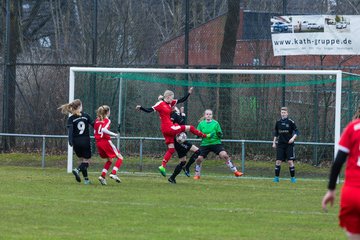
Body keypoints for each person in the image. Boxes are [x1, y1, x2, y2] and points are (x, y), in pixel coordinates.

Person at [136, 87, 210, 177]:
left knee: (171, 149)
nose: (173, 99)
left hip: (165, 130)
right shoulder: (160, 104)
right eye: (172, 97)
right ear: (168, 96)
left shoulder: (170, 103)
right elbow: (150, 109)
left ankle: (162, 166)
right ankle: (204, 136)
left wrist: (189, 93)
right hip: (169, 127)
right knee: (190, 127)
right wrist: (141, 108)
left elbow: (182, 99)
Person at [322, 108, 360, 239]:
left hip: (352, 193)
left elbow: (338, 162)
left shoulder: (352, 128)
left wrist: (331, 190)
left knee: (353, 235)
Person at [193, 109, 243, 180]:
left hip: (216, 143)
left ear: (212, 116)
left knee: (224, 155)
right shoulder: (201, 124)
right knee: (199, 159)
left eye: (210, 114)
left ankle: (235, 171)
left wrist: (219, 134)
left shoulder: (216, 123)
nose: (208, 115)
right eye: (207, 114)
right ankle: (197, 174)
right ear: (204, 115)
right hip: (205, 144)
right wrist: (198, 135)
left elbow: (220, 135)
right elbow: (197, 133)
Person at [58, 99, 93, 185]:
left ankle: (86, 180)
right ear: (79, 107)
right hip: (85, 140)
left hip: (76, 142)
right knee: (86, 162)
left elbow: (70, 131)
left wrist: (70, 141)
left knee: (82, 161)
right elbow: (95, 125)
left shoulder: (71, 119)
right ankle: (77, 170)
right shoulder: (86, 116)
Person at [167, 106, 201, 184]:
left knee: (183, 161)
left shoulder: (179, 115)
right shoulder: (173, 115)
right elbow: (172, 125)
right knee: (198, 151)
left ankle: (172, 178)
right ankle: (187, 167)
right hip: (179, 141)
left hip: (180, 141)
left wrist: (182, 114)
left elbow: (182, 123)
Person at [94, 105, 123, 185]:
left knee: (110, 160)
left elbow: (95, 132)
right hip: (106, 142)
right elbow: (103, 129)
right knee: (120, 157)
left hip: (98, 142)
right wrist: (114, 134)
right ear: (107, 112)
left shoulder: (97, 120)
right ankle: (113, 173)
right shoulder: (107, 120)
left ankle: (102, 176)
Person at [272, 107, 299, 183]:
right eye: (282, 112)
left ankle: (293, 178)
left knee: (290, 161)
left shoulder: (291, 122)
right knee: (278, 161)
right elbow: (276, 133)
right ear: (280, 113)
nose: (283, 114)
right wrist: (274, 142)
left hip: (289, 145)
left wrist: (293, 138)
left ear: (287, 113)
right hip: (280, 145)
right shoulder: (278, 122)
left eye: (284, 113)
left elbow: (297, 131)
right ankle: (276, 178)